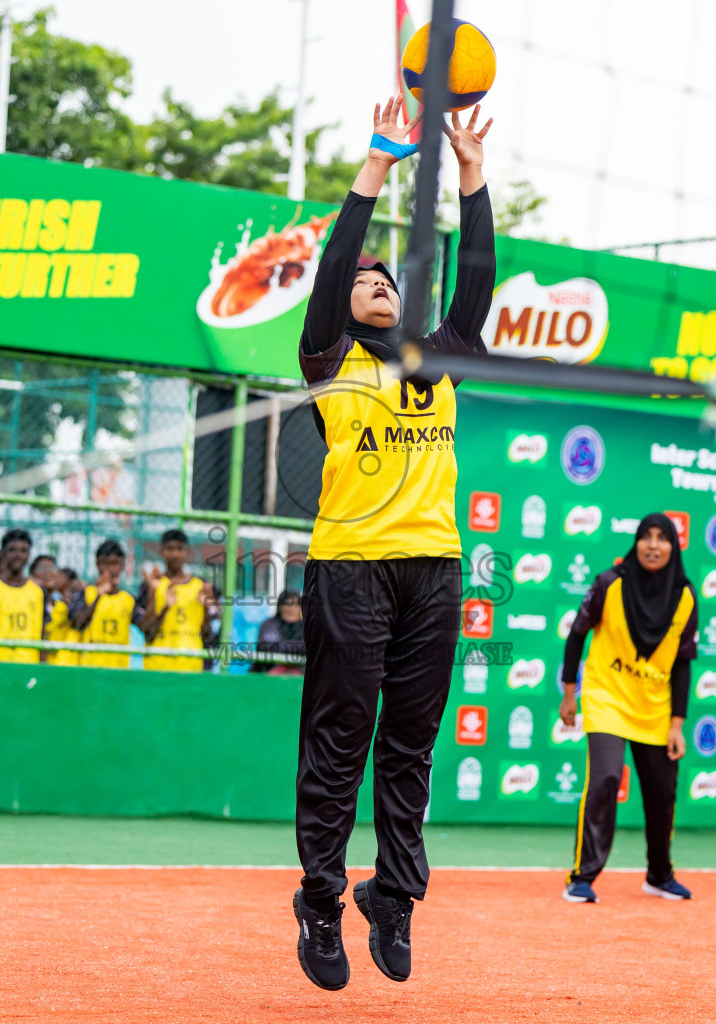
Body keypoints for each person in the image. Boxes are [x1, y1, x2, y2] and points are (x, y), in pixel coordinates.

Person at [290, 97, 496, 991]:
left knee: (411, 741)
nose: (377, 279)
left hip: (434, 569)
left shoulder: (439, 353)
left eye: (388, 278)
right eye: (365, 278)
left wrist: (473, 178)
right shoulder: (329, 354)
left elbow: (477, 282)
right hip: (351, 565)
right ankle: (320, 902)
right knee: (343, 738)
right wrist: (376, 166)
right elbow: (340, 255)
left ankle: (396, 897)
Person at [558, 513, 698, 905]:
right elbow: (577, 636)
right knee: (604, 779)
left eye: (663, 538)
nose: (653, 545)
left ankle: (659, 875)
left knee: (662, 792)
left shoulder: (686, 596)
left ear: (674, 546)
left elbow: (683, 664)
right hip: (607, 699)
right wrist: (570, 694)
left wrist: (677, 724)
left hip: (655, 709)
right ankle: (582, 877)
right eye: (646, 537)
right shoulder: (608, 583)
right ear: (635, 543)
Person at [133, 528, 219, 672]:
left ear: (188, 552)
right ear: (161, 552)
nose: (175, 554)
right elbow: (147, 633)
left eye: (180, 549)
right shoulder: (152, 585)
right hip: (157, 666)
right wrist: (165, 607)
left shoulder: (201, 587)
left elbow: (207, 637)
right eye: (169, 549)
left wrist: (205, 608)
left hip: (190, 666)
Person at [0, 528, 46, 663]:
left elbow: (43, 633)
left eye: (24, 551)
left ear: (29, 555)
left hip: (29, 666)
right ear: (3, 554)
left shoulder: (38, 591)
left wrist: (41, 668)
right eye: (13, 550)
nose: (18, 555)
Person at [67, 540, 136, 669]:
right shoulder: (85, 593)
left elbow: (148, 631)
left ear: (122, 565)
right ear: (97, 564)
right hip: (89, 669)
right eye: (104, 563)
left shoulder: (129, 599)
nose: (109, 569)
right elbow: (77, 625)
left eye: (114, 563)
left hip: (118, 670)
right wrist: (99, 596)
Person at [254, 589, 304, 675]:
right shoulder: (269, 625)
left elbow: (312, 648)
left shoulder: (306, 628)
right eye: (288, 604)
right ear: (280, 606)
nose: (292, 609)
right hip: (267, 674)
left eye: (296, 604)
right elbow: (265, 647)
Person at [46, 567, 84, 666]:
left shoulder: (73, 601)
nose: (56, 578)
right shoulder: (54, 601)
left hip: (66, 659)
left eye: (60, 576)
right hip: (50, 657)